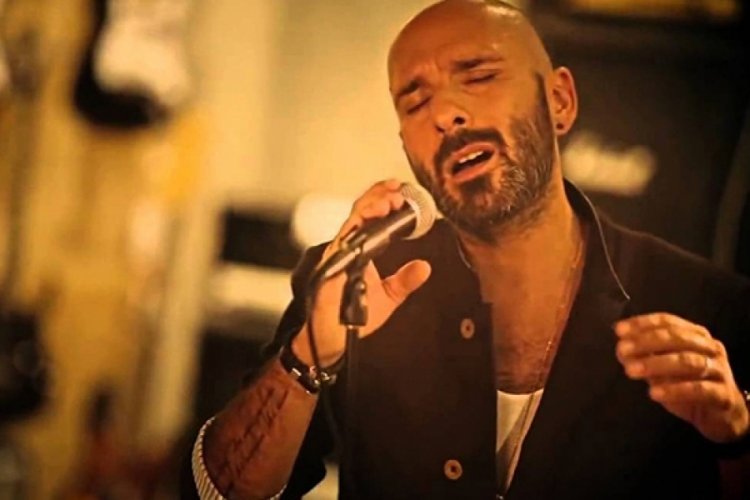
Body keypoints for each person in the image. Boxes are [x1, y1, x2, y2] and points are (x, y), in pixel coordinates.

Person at [190, 1, 750, 498]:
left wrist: (736, 439)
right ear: (407, 148)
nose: (445, 114)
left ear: (559, 101)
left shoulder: (707, 307)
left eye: (479, 77)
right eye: (415, 102)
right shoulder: (357, 281)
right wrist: (309, 355)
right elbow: (217, 493)